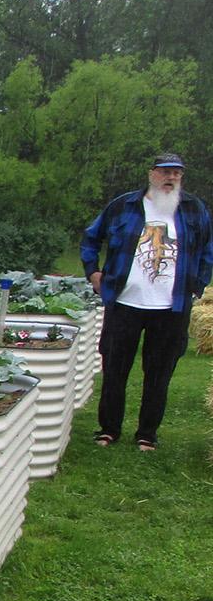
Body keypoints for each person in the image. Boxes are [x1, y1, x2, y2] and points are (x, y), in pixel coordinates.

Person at [80, 153, 213, 451]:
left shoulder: (194, 209)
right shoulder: (124, 206)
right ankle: (109, 429)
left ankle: (147, 434)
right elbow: (91, 238)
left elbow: (208, 249)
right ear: (152, 174)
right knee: (115, 368)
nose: (171, 178)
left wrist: (198, 284)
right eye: (165, 172)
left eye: (177, 173)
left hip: (171, 307)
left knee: (159, 373)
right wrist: (94, 272)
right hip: (125, 302)